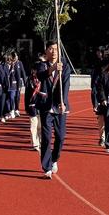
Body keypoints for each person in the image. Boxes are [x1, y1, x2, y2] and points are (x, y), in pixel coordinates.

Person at [35, 40, 70, 179]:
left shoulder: (65, 67)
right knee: (46, 137)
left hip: (60, 106)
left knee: (60, 137)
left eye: (56, 49)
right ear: (46, 51)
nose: (53, 51)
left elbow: (66, 84)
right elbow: (41, 76)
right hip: (46, 107)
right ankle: (46, 167)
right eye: (50, 49)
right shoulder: (41, 65)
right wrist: (53, 68)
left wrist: (63, 101)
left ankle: (54, 158)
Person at [90, 46, 106, 146]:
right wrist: (95, 103)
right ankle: (102, 138)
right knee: (101, 119)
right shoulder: (96, 65)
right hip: (100, 97)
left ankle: (108, 138)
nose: (98, 54)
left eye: (100, 52)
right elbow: (93, 87)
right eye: (98, 52)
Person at [25, 67, 41, 152]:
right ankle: (35, 144)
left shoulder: (43, 79)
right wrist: (26, 107)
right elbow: (27, 94)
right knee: (33, 126)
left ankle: (40, 142)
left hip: (42, 106)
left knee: (40, 127)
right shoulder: (29, 80)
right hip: (32, 106)